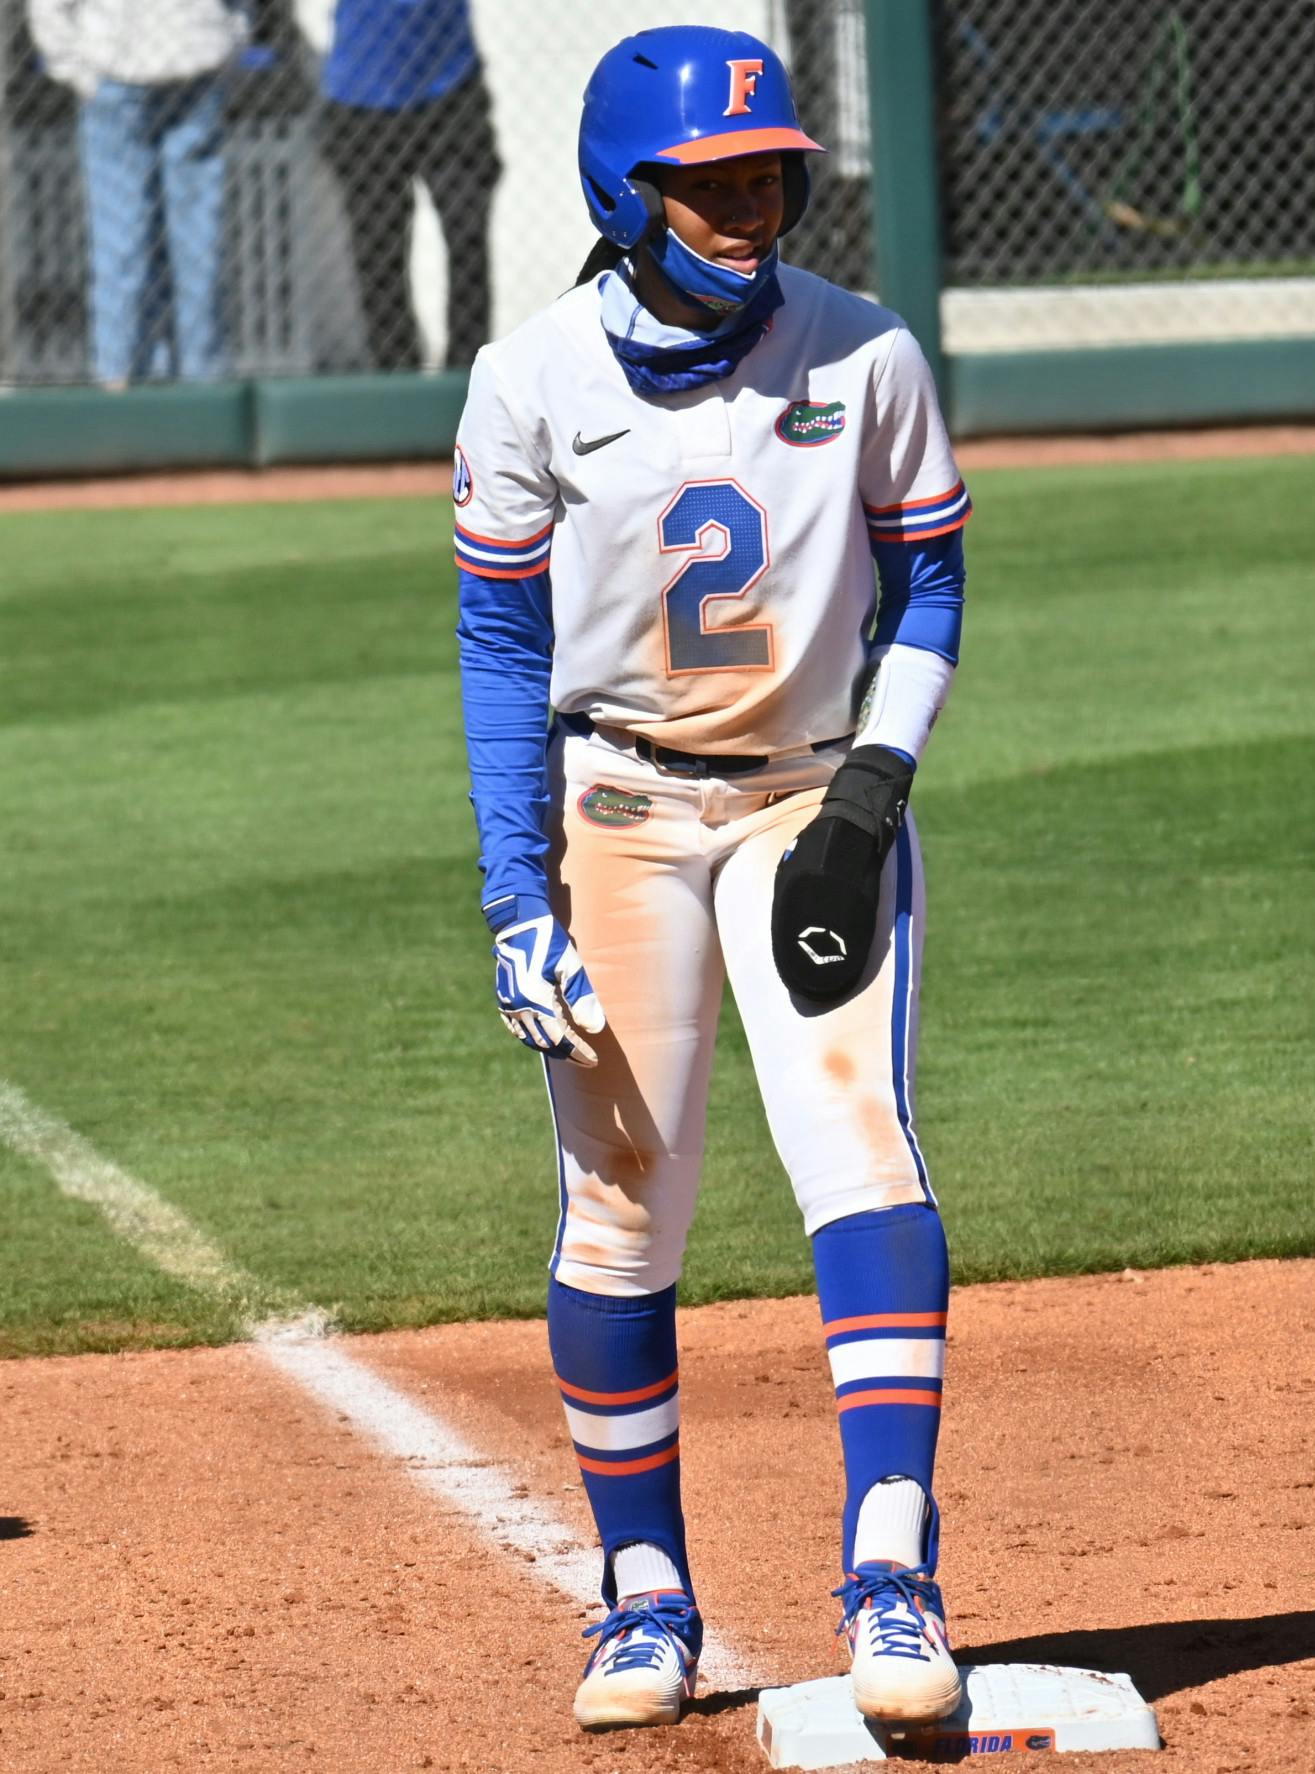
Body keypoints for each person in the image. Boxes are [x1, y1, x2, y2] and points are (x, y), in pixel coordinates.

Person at [452, 25, 971, 1735]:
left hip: (814, 804)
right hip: (620, 815)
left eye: (770, 175)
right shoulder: (529, 382)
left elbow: (934, 589)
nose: (751, 207)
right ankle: (643, 1593)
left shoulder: (868, 353)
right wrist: (515, 889)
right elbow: (497, 641)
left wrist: (872, 796)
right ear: (627, 190)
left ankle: (894, 1562)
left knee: (860, 1145)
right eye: (711, 180)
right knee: (623, 1202)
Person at [27, 0, 246, 385]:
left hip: (123, 61)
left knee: (122, 238)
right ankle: (202, 389)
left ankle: (120, 383)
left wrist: (72, 65)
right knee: (196, 239)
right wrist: (230, 38)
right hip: (193, 53)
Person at [320, 0, 499, 368]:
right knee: (377, 252)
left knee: (465, 232)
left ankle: (467, 379)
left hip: (450, 84)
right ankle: (396, 380)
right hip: (361, 93)